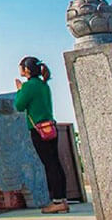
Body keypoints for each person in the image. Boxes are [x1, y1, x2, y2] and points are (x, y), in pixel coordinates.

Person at [14, 56, 69, 214]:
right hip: (50, 127)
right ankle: (62, 199)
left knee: (50, 165)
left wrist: (19, 90)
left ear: (27, 70)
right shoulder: (44, 85)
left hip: (38, 130)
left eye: (21, 68)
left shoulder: (29, 86)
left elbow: (19, 105)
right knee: (55, 163)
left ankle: (57, 201)